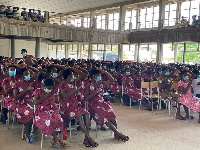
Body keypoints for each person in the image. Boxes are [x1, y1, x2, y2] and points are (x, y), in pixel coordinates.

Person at [84, 68, 129, 142]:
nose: (100, 77)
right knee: (104, 116)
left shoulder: (101, 83)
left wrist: (105, 72)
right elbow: (86, 98)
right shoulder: (88, 85)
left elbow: (112, 80)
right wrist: (95, 92)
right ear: (93, 76)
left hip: (102, 103)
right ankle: (119, 133)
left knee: (112, 115)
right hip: (93, 105)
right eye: (98, 75)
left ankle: (116, 134)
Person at [59, 68, 98, 147]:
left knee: (87, 115)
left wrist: (72, 68)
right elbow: (65, 96)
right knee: (79, 116)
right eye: (72, 75)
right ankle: (89, 138)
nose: (74, 76)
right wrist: (73, 90)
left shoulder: (74, 82)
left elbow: (83, 74)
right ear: (69, 76)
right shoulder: (62, 85)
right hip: (67, 107)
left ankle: (86, 138)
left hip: (76, 105)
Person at [33, 78, 66, 148]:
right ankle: (57, 139)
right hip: (41, 111)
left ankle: (54, 139)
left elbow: (53, 103)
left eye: (51, 88)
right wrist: (45, 96)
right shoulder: (38, 91)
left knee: (59, 119)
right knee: (49, 121)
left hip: (51, 110)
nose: (50, 90)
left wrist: (55, 111)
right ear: (44, 86)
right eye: (49, 88)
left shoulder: (52, 92)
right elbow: (35, 102)